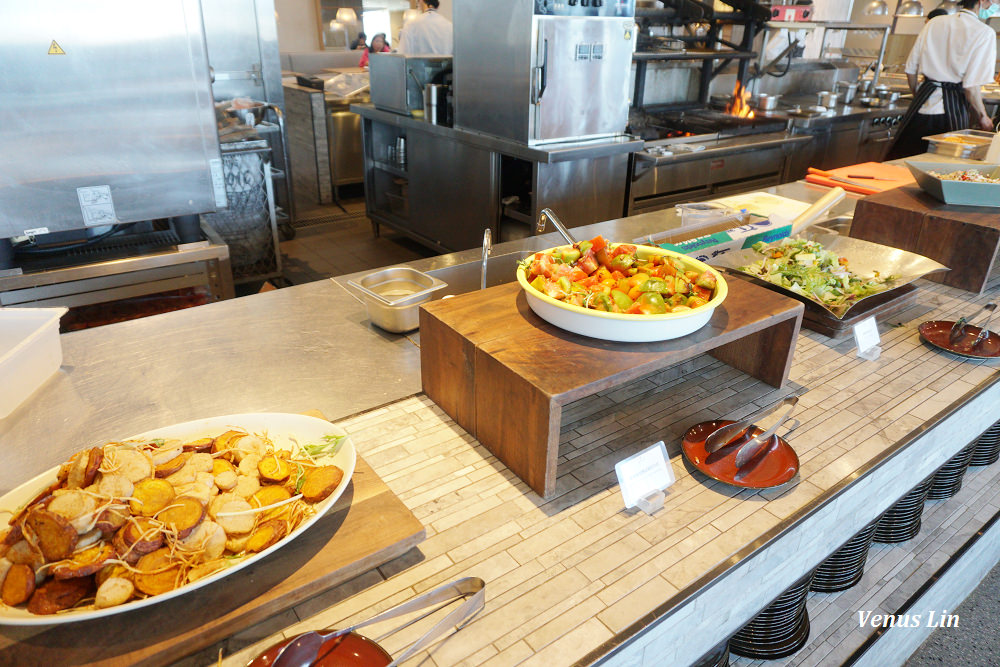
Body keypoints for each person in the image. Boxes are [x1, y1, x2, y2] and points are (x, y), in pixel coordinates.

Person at [885, 0, 996, 159]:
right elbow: (971, 87)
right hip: (952, 109)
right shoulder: (984, 33)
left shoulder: (935, 23)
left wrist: (919, 94)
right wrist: (983, 116)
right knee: (944, 164)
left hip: (922, 103)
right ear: (981, 1)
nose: (992, 5)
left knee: (902, 160)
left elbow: (910, 69)